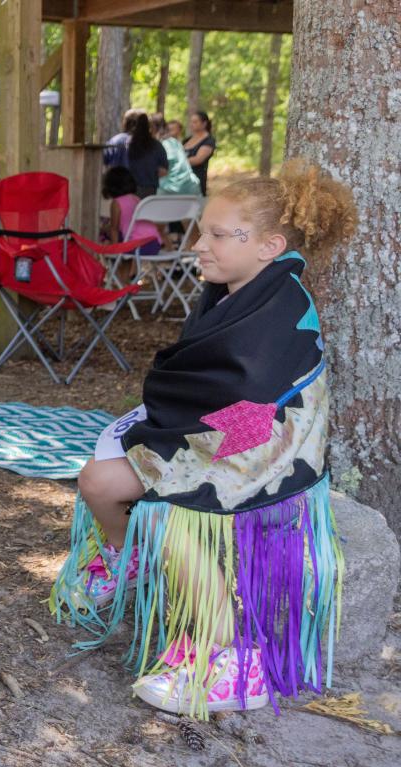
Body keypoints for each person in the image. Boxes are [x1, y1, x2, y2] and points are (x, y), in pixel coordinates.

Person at [51, 159, 357, 719]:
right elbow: (204, 385)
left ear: (269, 245)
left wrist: (180, 453)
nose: (200, 245)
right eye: (202, 231)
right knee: (99, 481)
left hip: (273, 450)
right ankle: (130, 562)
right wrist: (172, 436)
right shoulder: (232, 291)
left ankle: (232, 661)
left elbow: (266, 402)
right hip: (228, 434)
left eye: (219, 235)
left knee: (171, 503)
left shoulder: (282, 303)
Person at [102, 167, 162, 255]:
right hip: (154, 245)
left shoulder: (116, 203)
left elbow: (114, 229)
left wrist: (114, 249)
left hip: (137, 246)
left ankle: (117, 265)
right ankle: (127, 268)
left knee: (105, 238)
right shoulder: (136, 199)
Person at [152, 113, 201, 197]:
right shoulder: (174, 141)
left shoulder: (161, 144)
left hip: (171, 190)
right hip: (191, 187)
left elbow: (163, 169)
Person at [126, 113, 168, 198]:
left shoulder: (127, 144)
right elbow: (164, 171)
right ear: (151, 128)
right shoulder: (157, 145)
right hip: (149, 190)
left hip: (128, 188)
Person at [184, 111, 216, 195]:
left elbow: (198, 159)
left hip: (197, 181)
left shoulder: (208, 141)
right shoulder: (187, 140)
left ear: (204, 123)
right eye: (191, 122)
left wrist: (179, 162)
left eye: (195, 122)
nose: (192, 124)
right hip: (182, 182)